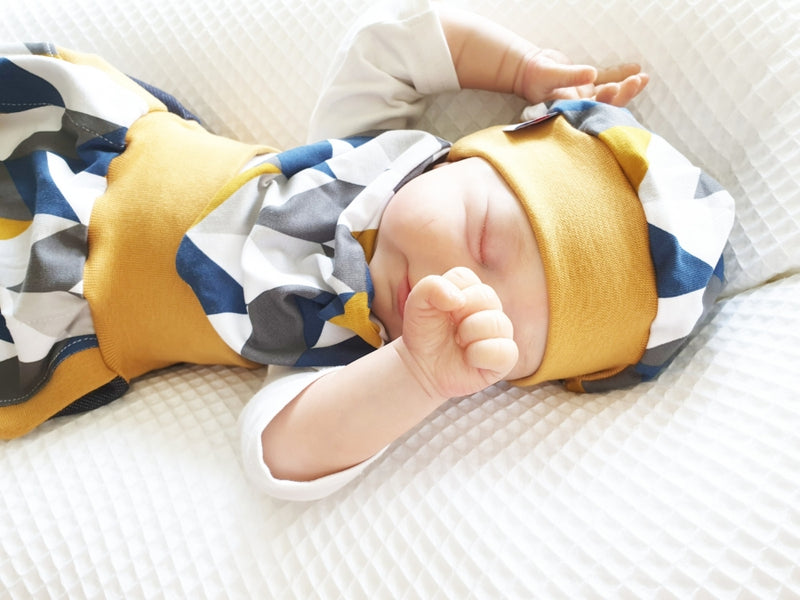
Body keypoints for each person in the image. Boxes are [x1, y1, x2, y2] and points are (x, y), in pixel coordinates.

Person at [0, 1, 734, 501]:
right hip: (84, 141)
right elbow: (388, 47)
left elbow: (277, 452)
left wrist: (417, 374)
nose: (454, 288)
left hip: (50, 304)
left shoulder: (349, 348)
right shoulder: (373, 153)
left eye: (492, 326)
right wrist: (520, 70)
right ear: (462, 156)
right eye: (484, 238)